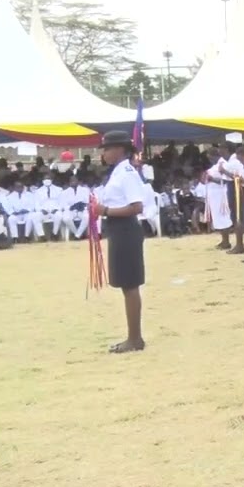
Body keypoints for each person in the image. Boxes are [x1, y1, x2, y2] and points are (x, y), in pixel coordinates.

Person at [94, 130, 148, 354]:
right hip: (117, 229)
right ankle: (133, 336)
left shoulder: (126, 173)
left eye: (107, 149)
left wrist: (105, 210)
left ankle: (135, 338)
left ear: (119, 150)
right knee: (125, 284)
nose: (104, 153)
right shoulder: (117, 172)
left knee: (129, 284)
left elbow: (137, 207)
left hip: (126, 229)